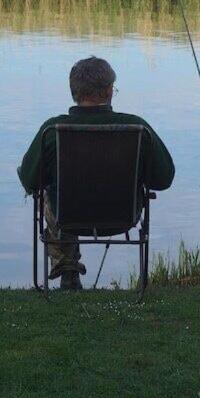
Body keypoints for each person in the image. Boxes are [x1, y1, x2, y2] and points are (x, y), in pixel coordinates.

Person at [18, 56, 175, 290]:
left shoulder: (52, 130)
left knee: (47, 193)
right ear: (110, 91)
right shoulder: (137, 127)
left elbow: (30, 181)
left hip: (67, 218)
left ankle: (67, 270)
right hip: (123, 217)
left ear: (74, 92)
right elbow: (163, 179)